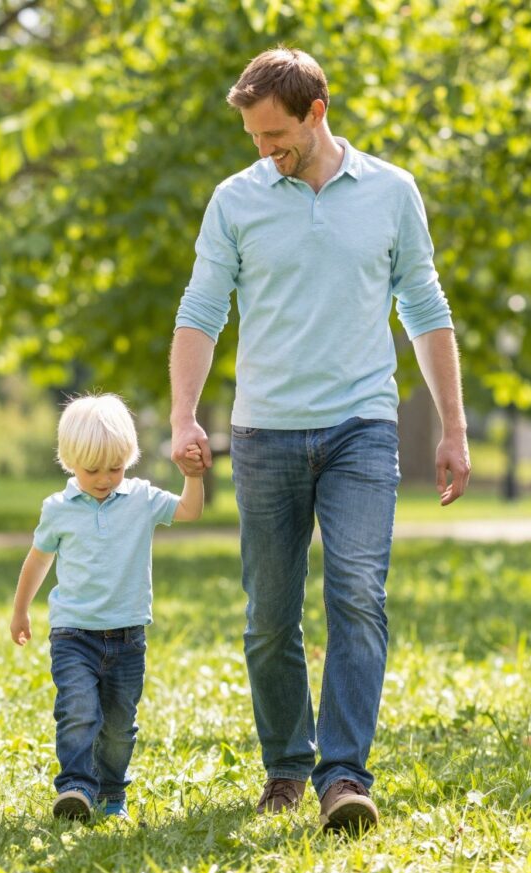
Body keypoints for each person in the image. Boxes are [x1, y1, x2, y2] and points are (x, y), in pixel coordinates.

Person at [168, 48, 470, 833]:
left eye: (277, 134)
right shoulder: (234, 201)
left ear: (317, 111)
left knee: (358, 596)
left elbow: (426, 310)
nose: (265, 149)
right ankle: (284, 766)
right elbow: (201, 311)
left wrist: (454, 427)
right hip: (264, 431)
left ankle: (344, 776)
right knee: (270, 616)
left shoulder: (391, 192)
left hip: (361, 427)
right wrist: (183, 416)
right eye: (254, 136)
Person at [10, 393, 204, 822]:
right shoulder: (58, 509)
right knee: (78, 711)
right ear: (69, 460)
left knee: (118, 726)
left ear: (129, 458)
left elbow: (190, 510)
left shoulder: (141, 499)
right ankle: (76, 788)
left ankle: (112, 793)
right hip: (73, 635)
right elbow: (38, 561)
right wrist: (21, 610)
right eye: (91, 469)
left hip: (127, 636)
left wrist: (192, 474)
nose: (104, 478)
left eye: (114, 467)